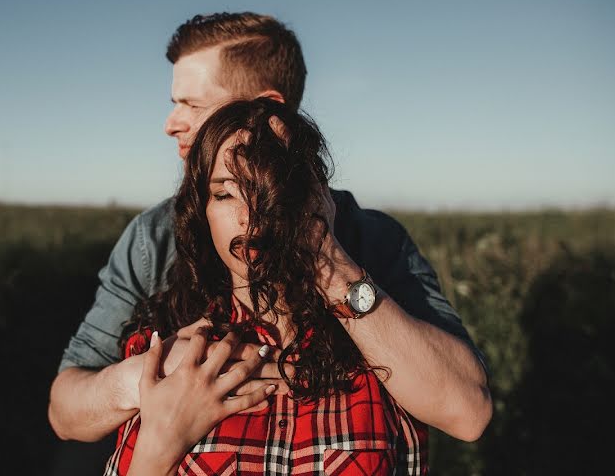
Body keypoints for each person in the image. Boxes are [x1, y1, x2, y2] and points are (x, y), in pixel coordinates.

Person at [48, 13, 491, 458]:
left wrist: (327, 259)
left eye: (193, 105)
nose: (171, 123)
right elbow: (65, 412)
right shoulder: (154, 237)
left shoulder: (370, 236)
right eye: (221, 196)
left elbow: (467, 412)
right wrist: (157, 377)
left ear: (269, 110)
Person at [108, 98, 428, 475]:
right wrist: (159, 447)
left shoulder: (382, 356)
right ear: (202, 214)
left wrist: (324, 248)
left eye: (264, 189)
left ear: (311, 199)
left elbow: (467, 412)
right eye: (224, 193)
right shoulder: (165, 357)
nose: (247, 216)